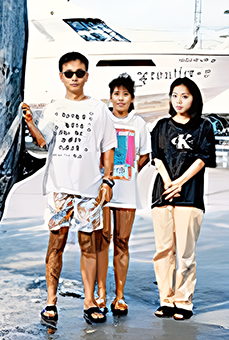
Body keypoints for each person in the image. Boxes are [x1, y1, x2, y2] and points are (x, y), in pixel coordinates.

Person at [22, 51, 117, 326]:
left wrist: (108, 180)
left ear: (87, 76)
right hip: (59, 188)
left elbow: (108, 147)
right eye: (69, 73)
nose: (74, 77)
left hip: (90, 189)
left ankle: (90, 302)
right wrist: (30, 122)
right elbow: (42, 142)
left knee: (89, 244)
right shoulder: (54, 108)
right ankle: (51, 301)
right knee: (57, 243)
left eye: (79, 73)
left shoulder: (99, 109)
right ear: (61, 77)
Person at [150, 77, 215, 321]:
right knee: (163, 250)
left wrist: (179, 183)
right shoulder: (161, 126)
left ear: (194, 98)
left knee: (186, 252)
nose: (179, 101)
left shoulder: (203, 126)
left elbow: (202, 159)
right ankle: (166, 300)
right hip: (163, 195)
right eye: (175, 95)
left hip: (190, 196)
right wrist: (169, 182)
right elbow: (157, 158)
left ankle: (183, 301)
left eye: (185, 96)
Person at [95, 74, 151, 315]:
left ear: (132, 98)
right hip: (103, 190)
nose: (120, 98)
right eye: (116, 94)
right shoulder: (102, 119)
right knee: (102, 240)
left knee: (122, 242)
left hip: (127, 192)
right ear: (110, 97)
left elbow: (144, 155)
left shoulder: (139, 124)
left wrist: (130, 171)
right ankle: (100, 294)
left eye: (125, 94)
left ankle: (119, 296)